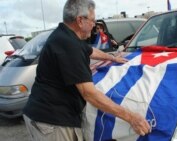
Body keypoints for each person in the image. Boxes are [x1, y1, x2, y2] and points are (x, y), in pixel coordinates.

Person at [22, 0, 150, 141]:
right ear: (80, 20)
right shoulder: (68, 45)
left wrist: (112, 57)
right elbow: (89, 93)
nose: (94, 25)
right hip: (52, 122)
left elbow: (90, 51)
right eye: (93, 20)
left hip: (44, 115)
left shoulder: (66, 36)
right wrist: (131, 118)